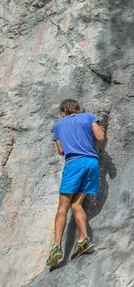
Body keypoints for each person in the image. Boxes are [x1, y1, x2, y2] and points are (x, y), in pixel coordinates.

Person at [47, 99, 105, 267]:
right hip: (92, 163)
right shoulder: (89, 117)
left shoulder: (59, 125)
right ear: (77, 109)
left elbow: (61, 151)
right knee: (76, 204)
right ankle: (83, 239)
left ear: (64, 110)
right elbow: (100, 137)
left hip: (74, 164)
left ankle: (57, 247)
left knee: (63, 207)